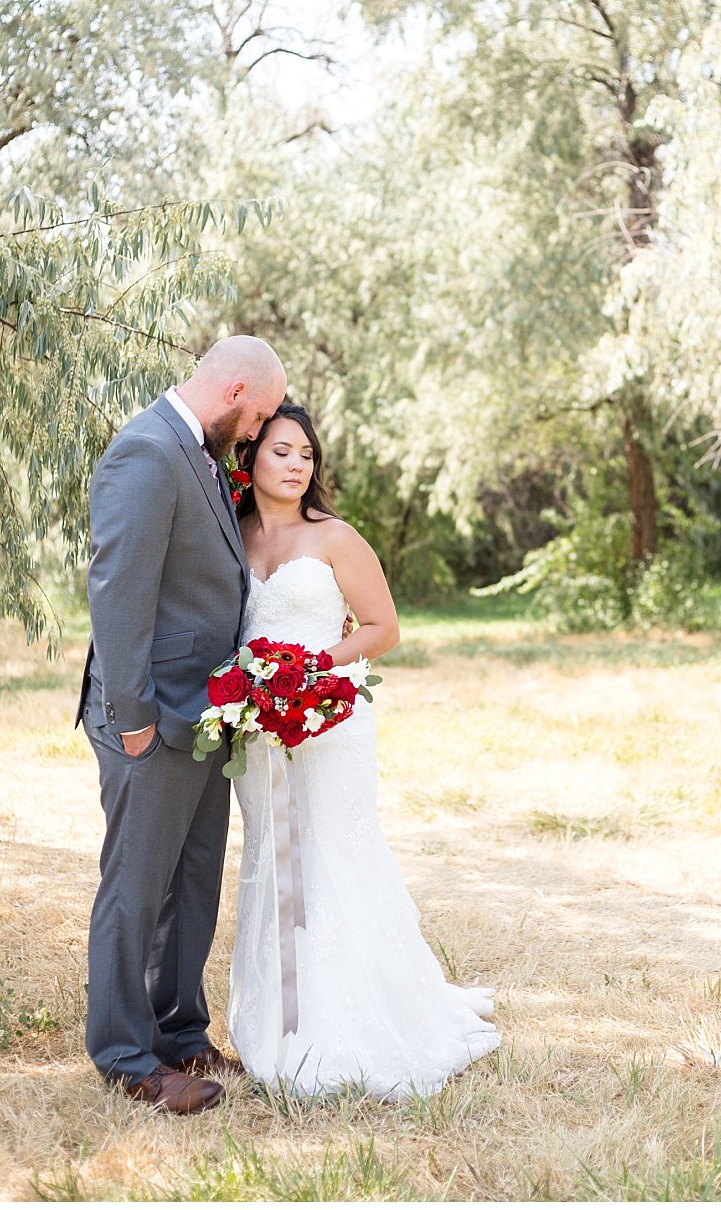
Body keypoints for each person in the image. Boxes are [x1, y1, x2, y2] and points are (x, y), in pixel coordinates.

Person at [227, 401, 499, 1096]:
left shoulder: (335, 536)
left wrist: (307, 671)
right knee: (271, 852)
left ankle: (347, 1024)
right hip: (259, 730)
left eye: (307, 455)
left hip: (328, 720)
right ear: (250, 455)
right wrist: (255, 690)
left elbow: (383, 627)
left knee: (329, 854)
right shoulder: (234, 535)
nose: (295, 465)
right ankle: (277, 1018)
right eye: (282, 451)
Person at [78, 335, 287, 1113]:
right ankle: (127, 1056)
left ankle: (179, 1029)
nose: (260, 429)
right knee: (136, 885)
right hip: (150, 715)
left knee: (192, 883)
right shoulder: (146, 450)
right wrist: (130, 717)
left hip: (205, 715)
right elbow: (118, 588)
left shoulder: (195, 452)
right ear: (235, 388)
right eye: (261, 412)